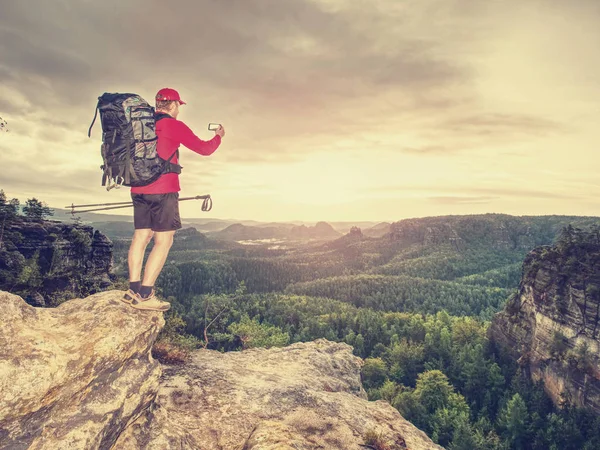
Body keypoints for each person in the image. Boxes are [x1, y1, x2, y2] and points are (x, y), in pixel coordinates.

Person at [122, 88, 225, 311]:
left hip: (137, 188)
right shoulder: (173, 125)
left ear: (157, 104)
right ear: (174, 105)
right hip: (163, 190)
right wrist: (219, 136)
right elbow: (205, 149)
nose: (179, 109)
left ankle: (132, 289)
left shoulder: (141, 125)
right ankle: (146, 294)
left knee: (141, 236)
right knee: (164, 241)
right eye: (178, 105)